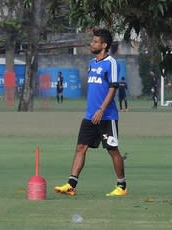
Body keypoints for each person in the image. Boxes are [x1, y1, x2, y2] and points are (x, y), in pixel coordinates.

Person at [54, 28, 127, 197]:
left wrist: (102, 109)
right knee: (81, 147)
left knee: (112, 150)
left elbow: (113, 88)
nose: (91, 44)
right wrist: (94, 111)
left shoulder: (111, 63)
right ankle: (71, 185)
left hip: (107, 116)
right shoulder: (92, 63)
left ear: (104, 45)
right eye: (92, 41)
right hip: (90, 116)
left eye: (95, 42)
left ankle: (122, 186)